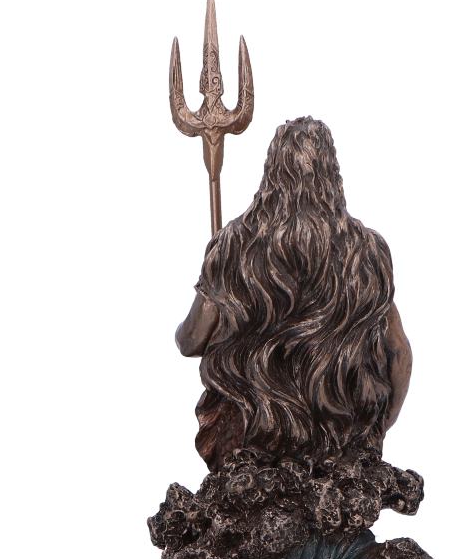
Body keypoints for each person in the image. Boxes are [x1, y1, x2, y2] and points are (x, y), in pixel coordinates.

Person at [175, 117, 412, 471]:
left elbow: (191, 341)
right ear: (333, 174)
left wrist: (219, 279)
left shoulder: (233, 246)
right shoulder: (367, 252)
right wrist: (379, 428)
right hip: (342, 449)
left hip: (252, 449)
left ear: (271, 172)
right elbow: (399, 355)